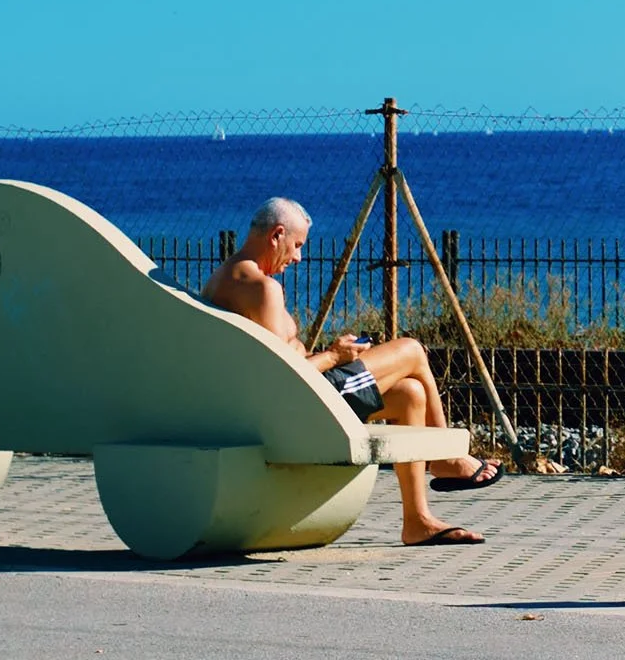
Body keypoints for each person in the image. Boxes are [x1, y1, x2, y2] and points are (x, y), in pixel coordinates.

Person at [201, 196, 503, 546]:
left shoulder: (228, 276)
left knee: (409, 394)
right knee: (413, 351)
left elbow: (271, 361)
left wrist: (333, 356)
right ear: (276, 235)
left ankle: (417, 521)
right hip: (296, 405)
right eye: (296, 245)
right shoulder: (262, 288)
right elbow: (279, 377)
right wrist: (332, 355)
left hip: (287, 399)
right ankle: (445, 459)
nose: (298, 257)